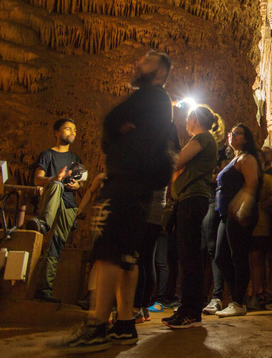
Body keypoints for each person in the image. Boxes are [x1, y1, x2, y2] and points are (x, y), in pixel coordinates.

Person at [59, 50, 178, 353]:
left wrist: (118, 130)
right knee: (128, 256)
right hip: (138, 186)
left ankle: (98, 325)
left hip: (125, 183)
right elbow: (113, 130)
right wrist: (118, 130)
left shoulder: (150, 96)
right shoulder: (158, 103)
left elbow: (110, 121)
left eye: (149, 60)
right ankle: (124, 325)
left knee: (109, 251)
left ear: (161, 73)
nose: (141, 62)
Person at [164, 105, 219, 329]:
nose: (186, 123)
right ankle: (188, 307)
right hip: (186, 199)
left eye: (188, 118)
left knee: (189, 257)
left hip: (192, 199)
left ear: (195, 118)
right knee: (186, 255)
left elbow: (176, 162)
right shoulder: (202, 139)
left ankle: (191, 309)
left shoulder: (204, 137)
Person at [27, 118, 84, 303]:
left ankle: (44, 289)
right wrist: (55, 179)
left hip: (68, 205)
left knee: (56, 246)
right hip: (51, 199)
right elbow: (37, 179)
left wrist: (77, 185)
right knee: (58, 185)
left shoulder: (75, 159)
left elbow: (81, 181)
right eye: (68, 129)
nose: (72, 132)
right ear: (56, 132)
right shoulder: (47, 155)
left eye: (74, 130)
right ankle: (43, 223)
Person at [214, 124, 261, 317]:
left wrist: (240, 206)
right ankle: (237, 299)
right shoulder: (235, 159)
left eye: (237, 133)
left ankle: (239, 301)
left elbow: (252, 184)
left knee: (238, 256)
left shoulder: (247, 158)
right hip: (227, 214)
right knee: (221, 258)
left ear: (246, 139)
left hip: (239, 213)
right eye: (231, 133)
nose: (232, 136)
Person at [247, 166, 272, 310]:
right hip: (254, 226)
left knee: (258, 260)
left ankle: (260, 292)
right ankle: (262, 292)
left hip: (261, 226)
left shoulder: (265, 179)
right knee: (257, 261)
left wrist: (263, 204)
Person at [133, 185, 168, 323]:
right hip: (155, 214)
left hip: (147, 214)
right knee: (147, 261)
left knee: (140, 260)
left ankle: (136, 308)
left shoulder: (151, 164)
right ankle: (143, 307)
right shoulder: (163, 165)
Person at [202, 147, 230, 316]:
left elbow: (221, 177)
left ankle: (217, 296)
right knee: (201, 251)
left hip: (213, 201)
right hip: (202, 201)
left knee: (213, 251)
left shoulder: (223, 153)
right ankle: (200, 295)